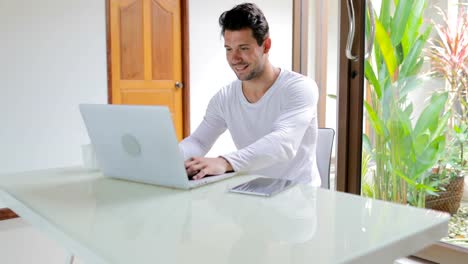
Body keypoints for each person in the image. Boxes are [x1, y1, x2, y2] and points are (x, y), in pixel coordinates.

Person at [179, 3, 320, 186]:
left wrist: (224, 162)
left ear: (266, 46)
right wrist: (169, 158)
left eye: (243, 48)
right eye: (229, 49)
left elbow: (283, 144)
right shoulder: (225, 97)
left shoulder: (300, 88)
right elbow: (198, 141)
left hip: (298, 197)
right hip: (253, 191)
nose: (234, 58)